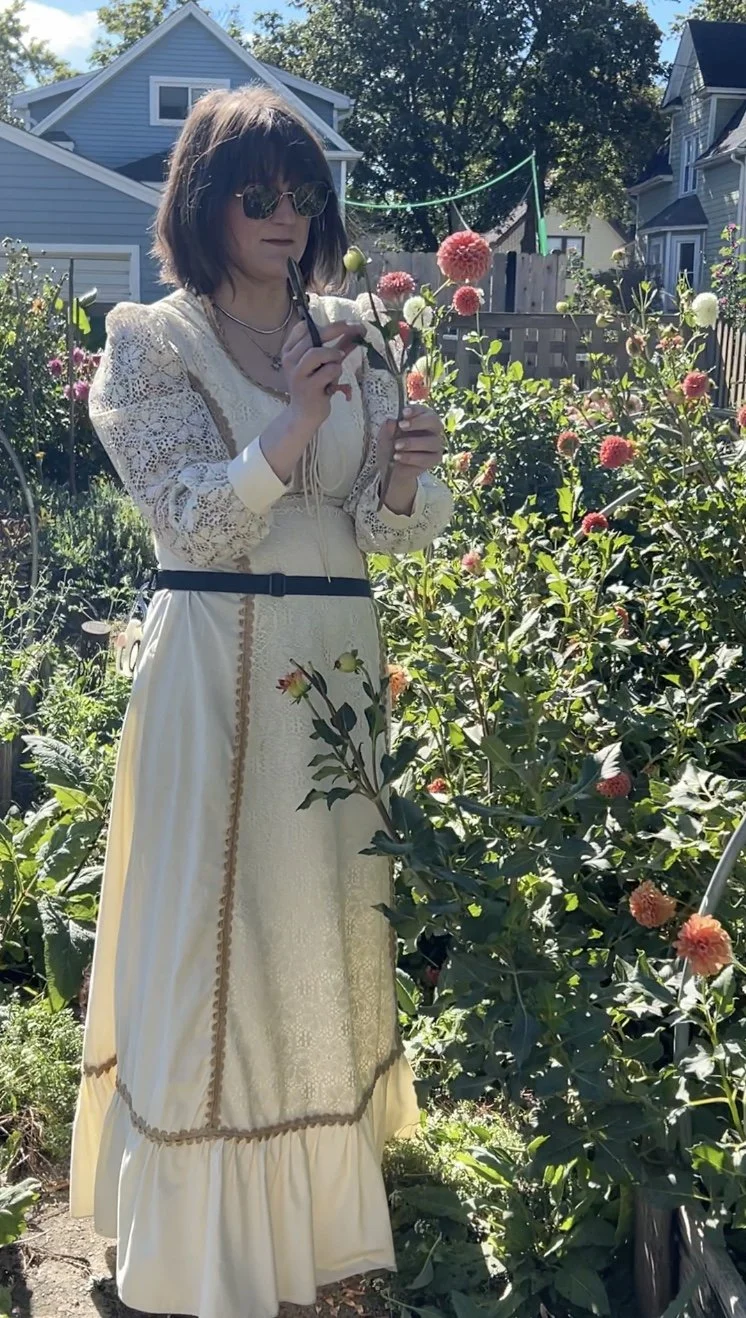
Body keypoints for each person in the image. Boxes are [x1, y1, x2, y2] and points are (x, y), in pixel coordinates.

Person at [69, 85, 453, 1318]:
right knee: (214, 930)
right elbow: (190, 517)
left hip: (334, 664)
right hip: (214, 668)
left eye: (300, 194)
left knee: (318, 919)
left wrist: (406, 477)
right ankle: (195, 1244)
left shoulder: (351, 329)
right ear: (203, 203)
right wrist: (293, 419)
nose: (284, 217)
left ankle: (322, 1222)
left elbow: (382, 532)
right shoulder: (152, 340)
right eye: (256, 195)